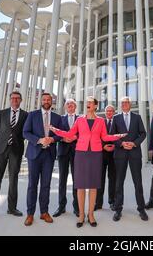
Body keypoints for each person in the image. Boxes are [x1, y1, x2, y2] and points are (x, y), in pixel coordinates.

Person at [50, 97, 127, 228]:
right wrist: (54, 130)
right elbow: (70, 133)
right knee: (80, 185)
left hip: (96, 154)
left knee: (93, 185)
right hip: (81, 153)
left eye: (90, 102)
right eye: (87, 102)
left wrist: (117, 136)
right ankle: (81, 215)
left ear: (96, 106)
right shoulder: (80, 120)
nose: (88, 104)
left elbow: (104, 137)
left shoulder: (101, 121)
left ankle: (91, 214)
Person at [0, 92, 28, 222]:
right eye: (12, 98)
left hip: (16, 150)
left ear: (21, 100)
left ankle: (12, 208)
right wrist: (2, 141)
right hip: (0, 150)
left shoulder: (25, 115)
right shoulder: (2, 113)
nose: (15, 100)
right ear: (9, 100)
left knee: (13, 179)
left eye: (17, 98)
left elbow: (25, 132)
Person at [23, 93, 62, 227]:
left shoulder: (57, 117)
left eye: (48, 100)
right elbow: (25, 132)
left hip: (49, 155)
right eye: (44, 99)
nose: (46, 101)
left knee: (46, 185)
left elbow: (60, 134)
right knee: (32, 185)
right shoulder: (32, 115)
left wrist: (52, 139)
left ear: (52, 101)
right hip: (34, 154)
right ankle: (30, 214)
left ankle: (44, 212)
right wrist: (39, 140)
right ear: (41, 101)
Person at [111, 97, 148, 222]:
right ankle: (118, 209)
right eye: (122, 103)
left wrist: (134, 143)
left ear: (130, 104)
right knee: (119, 182)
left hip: (134, 153)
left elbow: (143, 133)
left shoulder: (137, 117)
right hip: (120, 153)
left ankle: (141, 209)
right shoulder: (116, 118)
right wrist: (121, 144)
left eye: (126, 102)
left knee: (138, 182)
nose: (124, 104)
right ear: (120, 105)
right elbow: (112, 136)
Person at [53, 99, 79, 218]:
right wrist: (63, 138)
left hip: (76, 151)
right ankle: (61, 206)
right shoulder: (60, 119)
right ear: (65, 107)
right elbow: (56, 133)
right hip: (63, 151)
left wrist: (74, 137)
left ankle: (76, 207)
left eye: (72, 104)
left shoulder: (80, 119)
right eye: (68, 104)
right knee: (62, 180)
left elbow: (84, 132)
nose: (70, 106)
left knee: (76, 180)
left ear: (75, 107)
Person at [96, 105, 117, 211]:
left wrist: (115, 145)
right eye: (107, 111)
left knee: (113, 178)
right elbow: (96, 136)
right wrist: (103, 145)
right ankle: (98, 203)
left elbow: (119, 135)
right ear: (105, 112)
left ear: (114, 112)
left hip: (114, 154)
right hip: (102, 153)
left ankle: (112, 201)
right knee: (100, 179)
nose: (109, 113)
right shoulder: (100, 122)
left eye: (111, 111)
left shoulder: (117, 121)